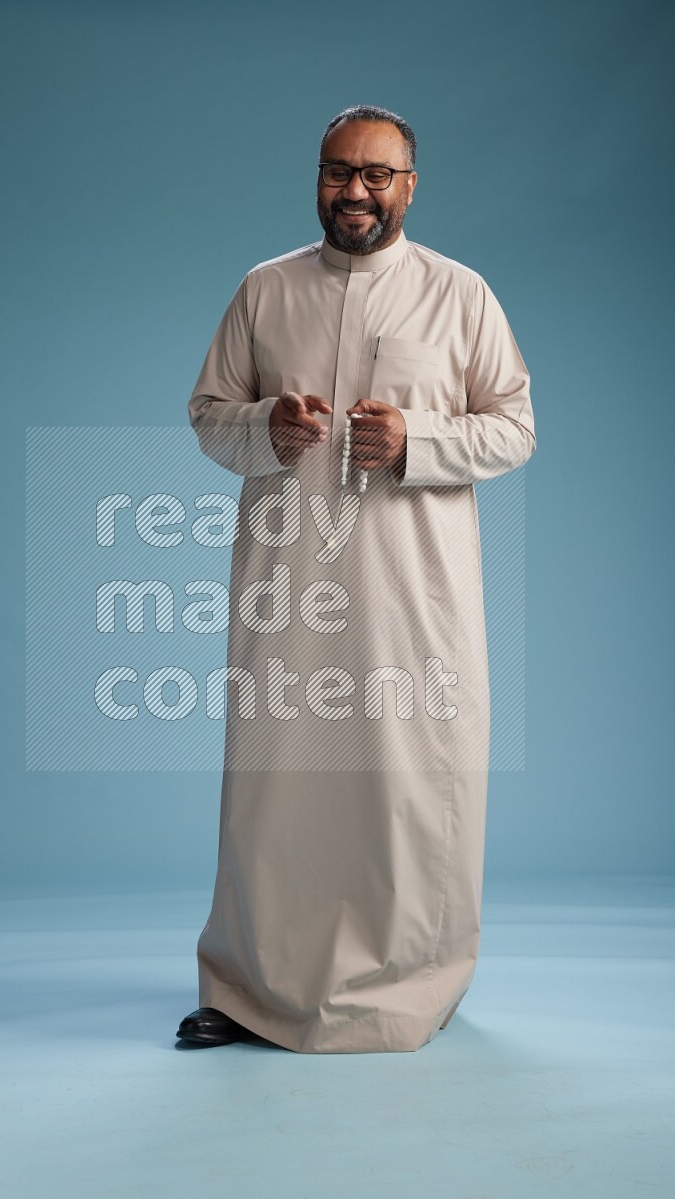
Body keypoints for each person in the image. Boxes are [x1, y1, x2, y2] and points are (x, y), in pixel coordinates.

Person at [176, 105, 536, 1053]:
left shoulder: (460, 295)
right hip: (290, 588)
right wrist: (268, 431)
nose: (357, 192)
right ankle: (249, 986)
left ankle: (417, 977)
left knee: (408, 782)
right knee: (275, 782)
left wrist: (420, 440)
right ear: (320, 179)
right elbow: (210, 414)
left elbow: (515, 427)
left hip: (412, 595)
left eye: (378, 175)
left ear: (410, 186)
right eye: (340, 172)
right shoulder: (267, 289)